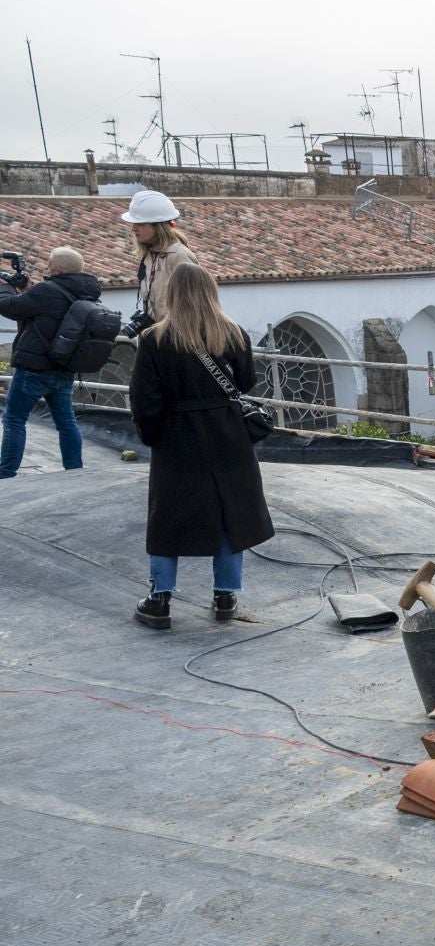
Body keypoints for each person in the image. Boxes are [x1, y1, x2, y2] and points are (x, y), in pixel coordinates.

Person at [129, 261, 275, 629]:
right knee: (230, 514)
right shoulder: (234, 334)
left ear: (172, 294)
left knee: (167, 515)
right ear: (212, 292)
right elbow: (245, 383)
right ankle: (225, 595)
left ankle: (160, 599)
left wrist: (153, 436)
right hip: (228, 434)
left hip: (177, 435)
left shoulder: (154, 339)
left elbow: (144, 399)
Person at [0, 246, 99, 479]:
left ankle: (5, 473)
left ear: (57, 269)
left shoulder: (48, 290)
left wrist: (5, 288)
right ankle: (74, 470)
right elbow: (41, 309)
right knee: (66, 422)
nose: (46, 269)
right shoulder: (86, 293)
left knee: (14, 419)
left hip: (34, 369)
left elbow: (9, 307)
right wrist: (26, 289)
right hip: (63, 369)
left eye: (49, 265)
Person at [123, 189, 196, 329]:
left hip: (176, 339)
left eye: (141, 224)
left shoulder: (179, 256)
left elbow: (193, 304)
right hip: (157, 338)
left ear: (159, 226)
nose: (133, 229)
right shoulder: (149, 256)